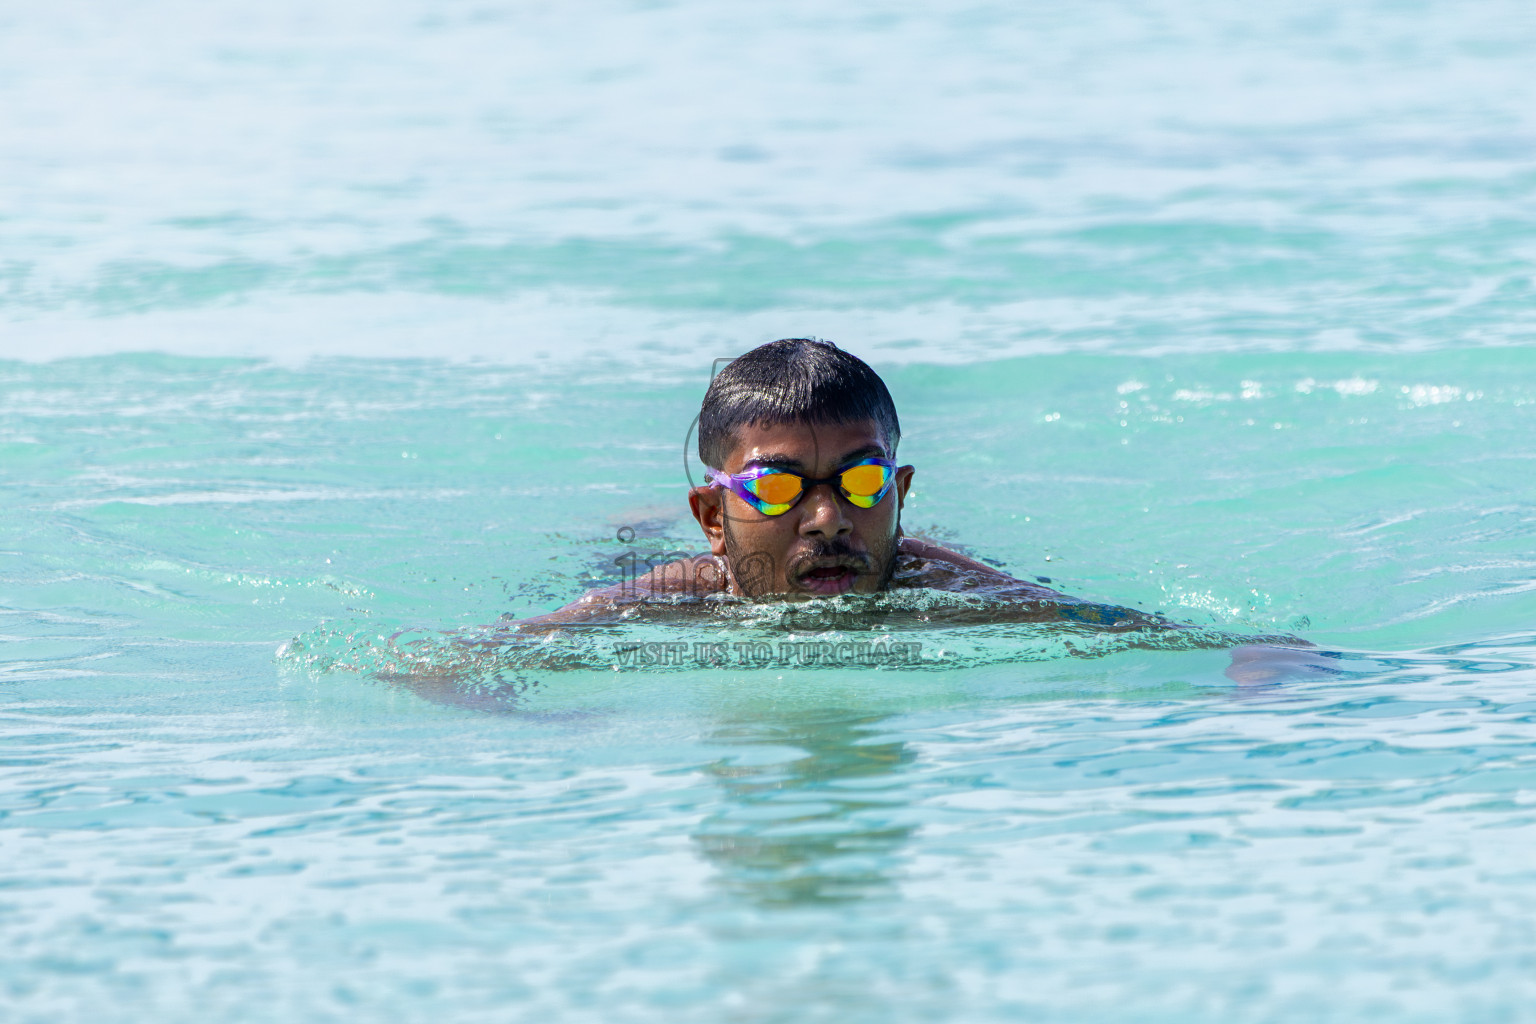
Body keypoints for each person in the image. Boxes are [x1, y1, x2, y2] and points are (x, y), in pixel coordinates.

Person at [517, 338, 1292, 655]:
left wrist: (1255, 662)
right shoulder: (668, 598)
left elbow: (1167, 633)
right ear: (714, 519)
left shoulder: (947, 587)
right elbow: (440, 662)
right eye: (779, 487)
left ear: (899, 491)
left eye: (862, 483)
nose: (828, 519)